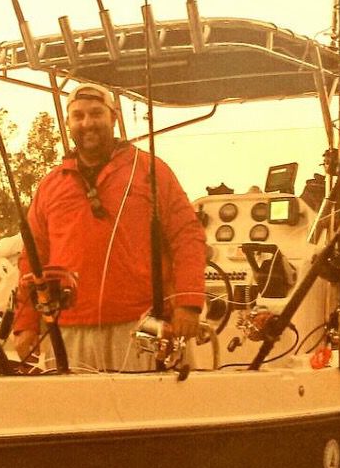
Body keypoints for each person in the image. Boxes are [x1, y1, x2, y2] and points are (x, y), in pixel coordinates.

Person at [11, 82, 207, 371]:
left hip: (141, 326)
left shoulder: (152, 171)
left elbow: (187, 236)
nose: (87, 123)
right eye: (78, 116)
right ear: (68, 124)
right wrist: (25, 324)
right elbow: (32, 259)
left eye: (96, 113)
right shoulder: (49, 186)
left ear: (114, 118)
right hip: (67, 332)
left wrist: (187, 304)